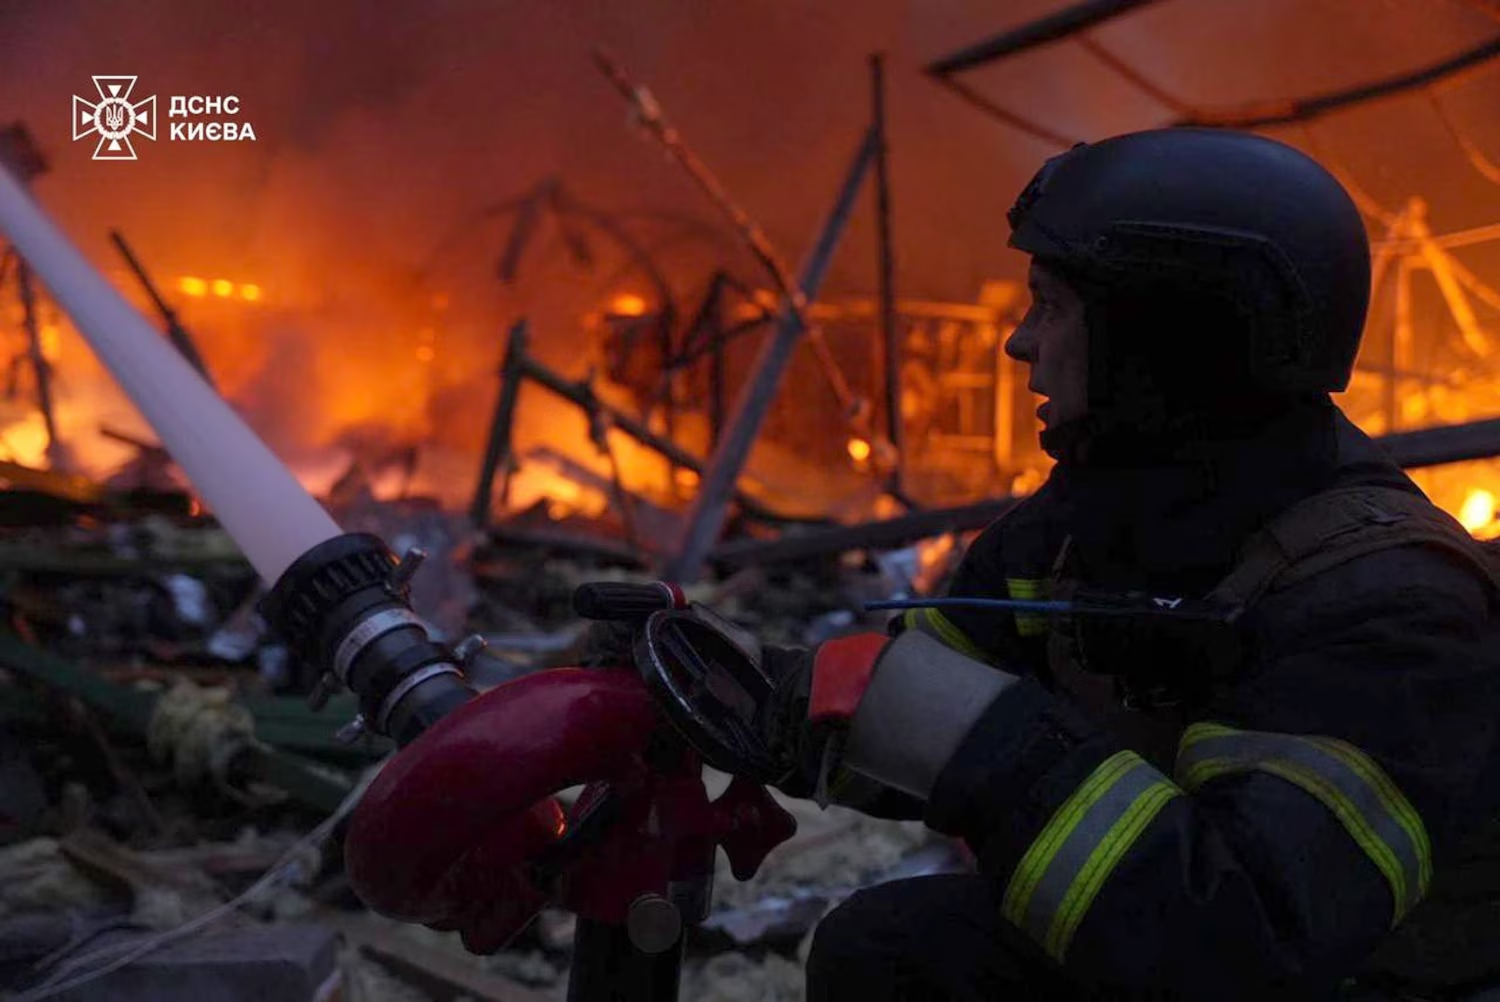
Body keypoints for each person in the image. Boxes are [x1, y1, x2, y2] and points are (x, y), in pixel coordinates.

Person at [735, 128, 1500, 1000]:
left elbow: (1243, 945)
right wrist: (732, 693)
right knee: (892, 948)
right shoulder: (1083, 527)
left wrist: (1001, 751)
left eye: (1051, 306)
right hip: (1183, 949)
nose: (1020, 343)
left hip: (1356, 983)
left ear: (1165, 342)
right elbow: (902, 702)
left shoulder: (1389, 604)